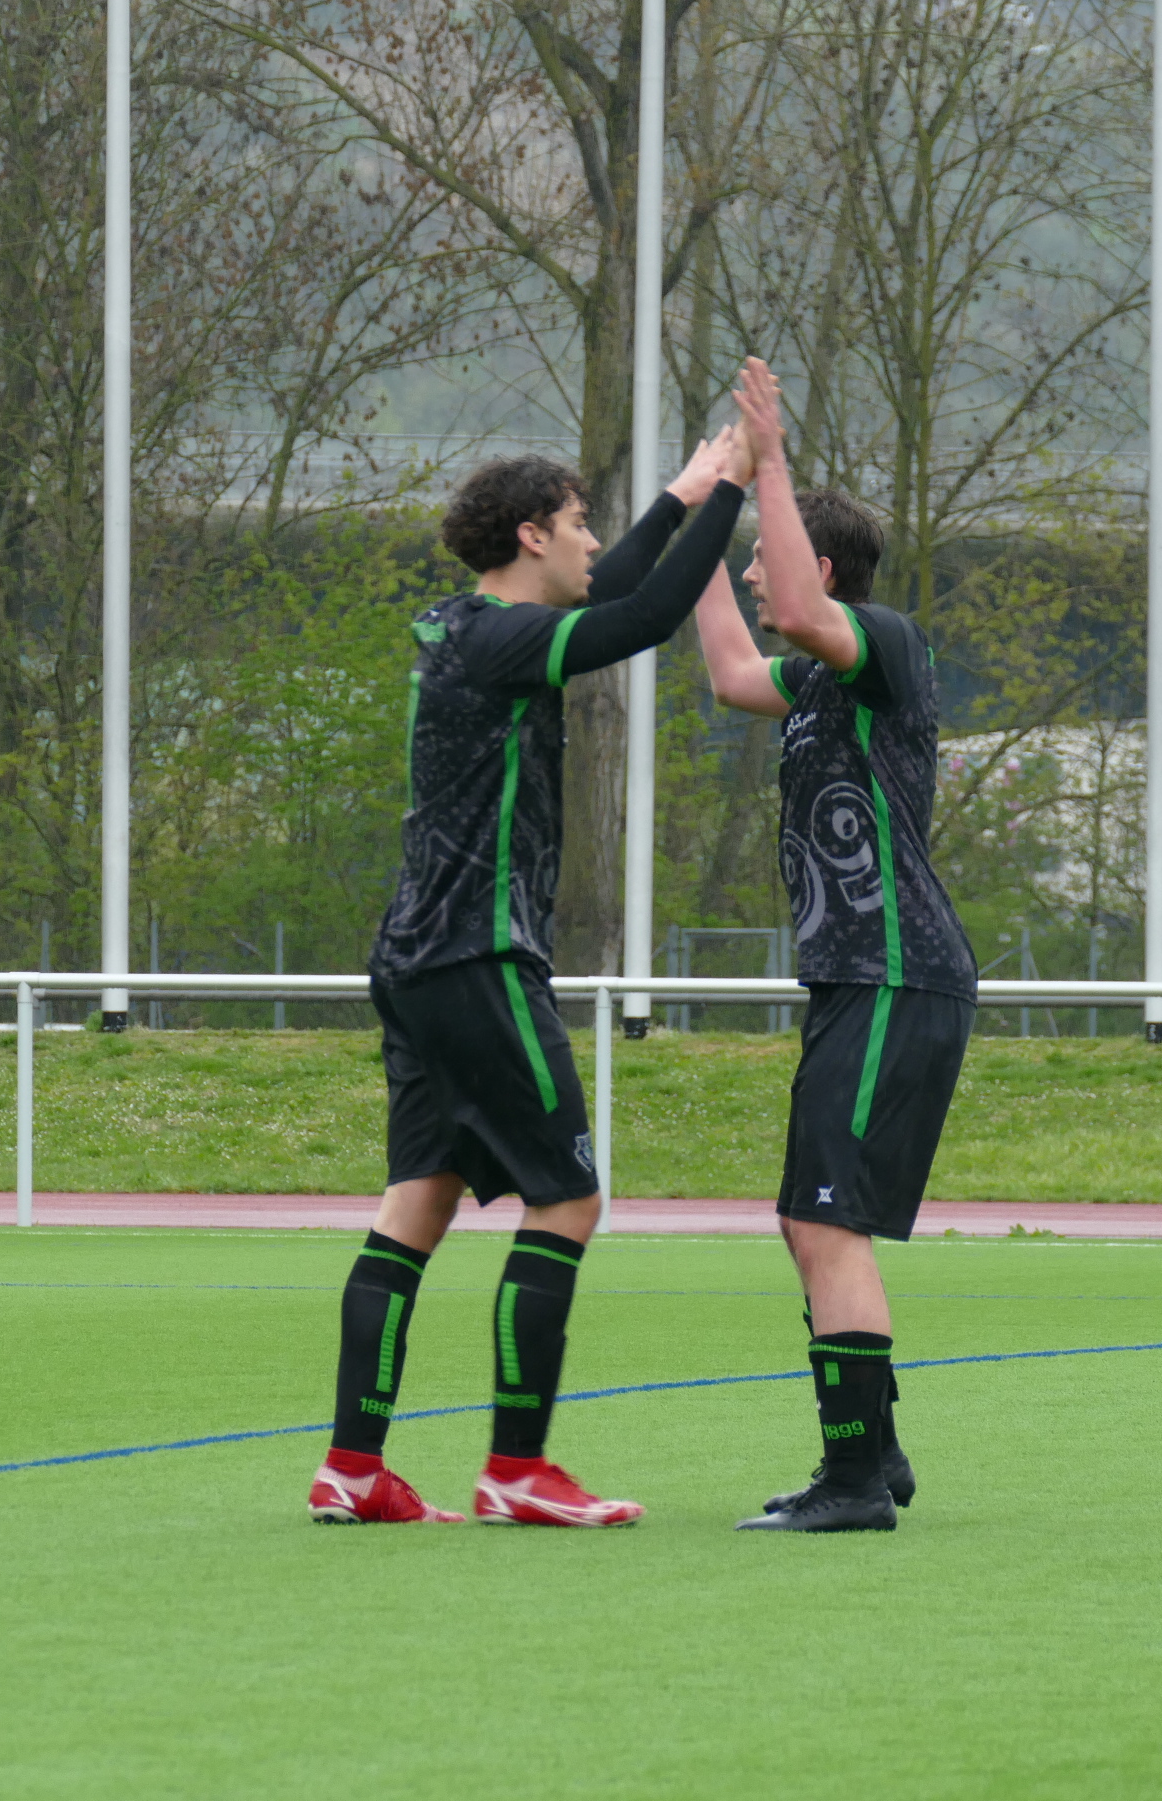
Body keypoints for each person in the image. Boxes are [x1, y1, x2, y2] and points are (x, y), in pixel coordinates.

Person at [308, 417, 757, 1529]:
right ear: (531, 535)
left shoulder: (468, 629)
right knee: (569, 1197)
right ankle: (517, 1469)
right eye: (579, 522)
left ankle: (352, 1468)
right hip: (479, 956)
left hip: (415, 958)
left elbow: (614, 588)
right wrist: (731, 496)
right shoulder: (505, 640)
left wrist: (682, 493)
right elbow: (641, 618)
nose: (593, 539)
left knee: (418, 1202)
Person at [690, 359, 978, 1533]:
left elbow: (806, 609)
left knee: (825, 1219)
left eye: (768, 553)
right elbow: (729, 673)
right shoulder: (814, 684)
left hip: (897, 973)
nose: (757, 572)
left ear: (819, 560)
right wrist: (703, 517)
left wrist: (769, 462)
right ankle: (879, 1456)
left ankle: (853, 1482)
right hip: (859, 981)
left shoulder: (883, 644)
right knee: (808, 1214)